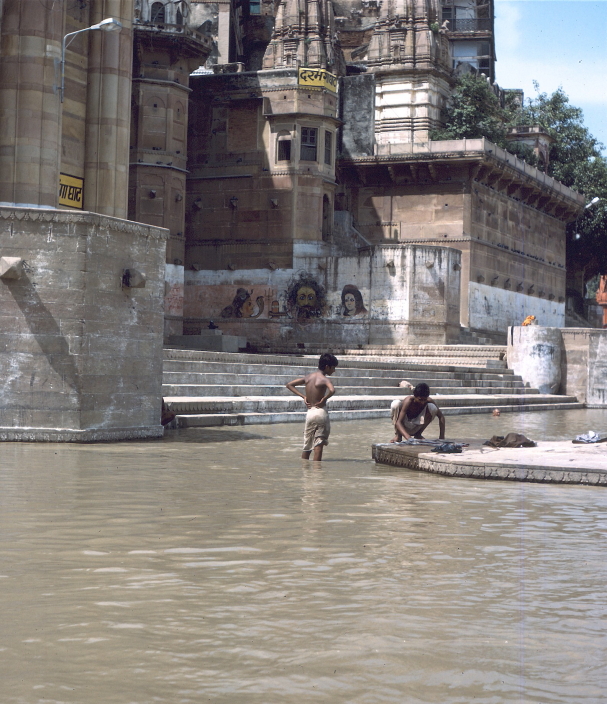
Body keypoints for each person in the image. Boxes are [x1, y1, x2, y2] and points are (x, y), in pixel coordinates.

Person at [286, 353, 338, 461]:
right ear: (327, 367)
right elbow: (332, 390)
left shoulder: (308, 377)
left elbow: (289, 385)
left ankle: (305, 469)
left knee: (307, 445)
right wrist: (325, 398)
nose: (334, 370)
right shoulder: (325, 379)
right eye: (333, 368)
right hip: (320, 412)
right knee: (319, 443)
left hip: (310, 413)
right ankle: (316, 473)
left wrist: (303, 396)